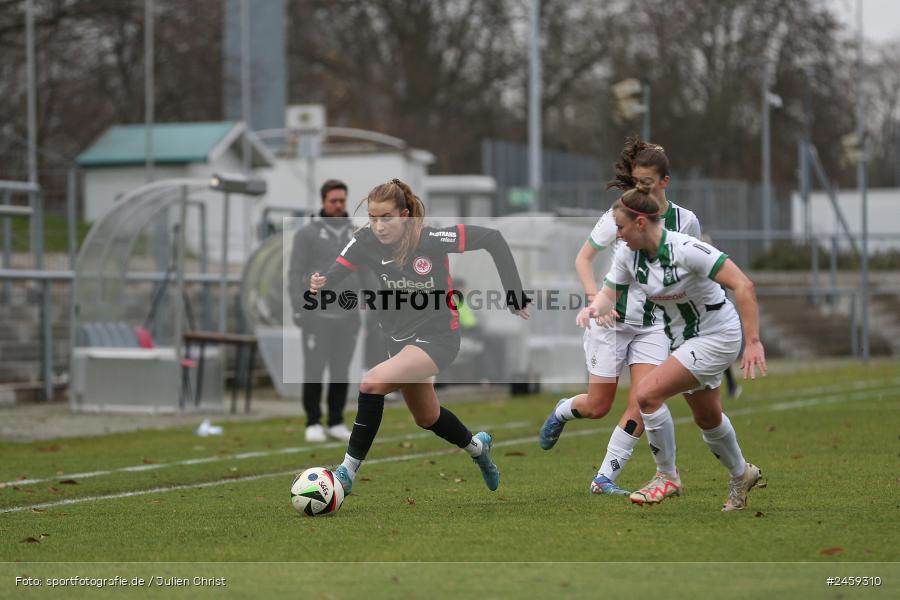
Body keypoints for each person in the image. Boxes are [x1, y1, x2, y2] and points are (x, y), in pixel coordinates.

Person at [306, 178, 530, 498]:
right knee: (427, 417)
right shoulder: (365, 240)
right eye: (373, 218)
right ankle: (478, 448)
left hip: (438, 337)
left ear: (406, 214)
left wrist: (514, 293)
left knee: (371, 383)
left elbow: (492, 238)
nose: (379, 226)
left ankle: (346, 472)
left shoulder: (430, 238)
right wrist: (321, 280)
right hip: (398, 339)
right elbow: (338, 268)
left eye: (387, 218)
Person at [577, 181, 766, 511]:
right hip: (682, 338)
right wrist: (594, 307)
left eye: (621, 227)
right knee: (708, 417)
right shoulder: (627, 255)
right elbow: (610, 295)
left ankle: (667, 476)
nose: (617, 235)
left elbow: (743, 285)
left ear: (640, 224)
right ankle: (741, 474)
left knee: (646, 394)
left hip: (718, 335)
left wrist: (753, 342)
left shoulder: (686, 249)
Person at [538, 138, 701, 497]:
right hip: (611, 323)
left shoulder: (685, 221)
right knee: (598, 406)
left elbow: (692, 269)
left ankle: (603, 478)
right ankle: (564, 410)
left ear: (665, 182)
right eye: (636, 181)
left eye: (647, 181)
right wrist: (597, 299)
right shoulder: (619, 215)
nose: (640, 188)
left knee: (644, 400)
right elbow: (583, 259)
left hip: (655, 325)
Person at [289, 179, 359, 443]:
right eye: (334, 201)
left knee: (341, 370)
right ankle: (313, 421)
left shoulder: (355, 233)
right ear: (323, 202)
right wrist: (299, 305)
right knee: (314, 369)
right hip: (317, 315)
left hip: (348, 314)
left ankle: (336, 421)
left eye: (342, 200)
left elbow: (366, 272)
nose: (339, 205)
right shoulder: (306, 234)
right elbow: (295, 273)